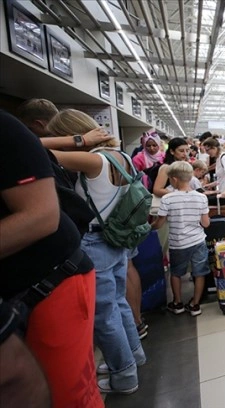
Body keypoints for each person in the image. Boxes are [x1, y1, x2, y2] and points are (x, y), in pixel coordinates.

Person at [1, 110, 104, 406]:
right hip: (57, 270)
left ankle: (125, 368)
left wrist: (74, 141)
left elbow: (42, 215)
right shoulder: (113, 158)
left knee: (67, 392)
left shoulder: (93, 159)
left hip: (50, 277)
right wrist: (77, 139)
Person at [46, 109, 146, 395]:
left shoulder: (92, 159)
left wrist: (75, 141)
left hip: (95, 240)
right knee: (118, 302)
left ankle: (124, 374)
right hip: (117, 238)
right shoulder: (122, 156)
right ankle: (133, 355)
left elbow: (33, 149)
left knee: (104, 314)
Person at [151, 161, 211, 316]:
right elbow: (206, 223)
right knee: (199, 272)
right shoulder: (201, 198)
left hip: (178, 243)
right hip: (198, 241)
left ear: (174, 179)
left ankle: (177, 303)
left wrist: (150, 226)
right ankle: (195, 305)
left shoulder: (167, 199)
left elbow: (159, 223)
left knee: (176, 273)